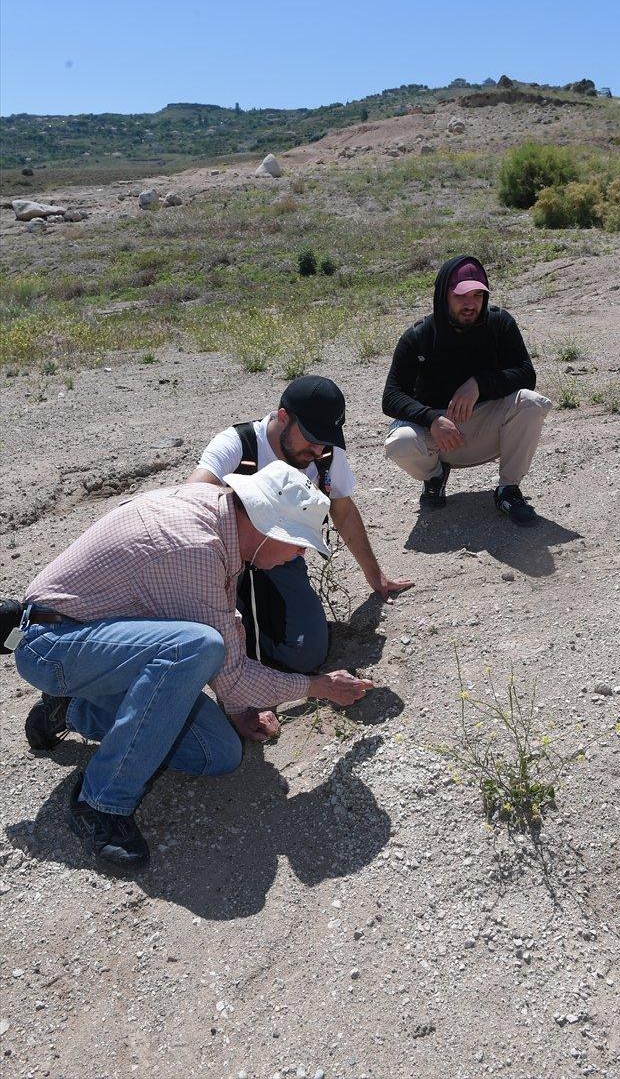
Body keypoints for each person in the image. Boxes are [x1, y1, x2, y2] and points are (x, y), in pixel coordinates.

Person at [8, 462, 373, 872]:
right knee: (195, 647)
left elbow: (225, 649)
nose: (301, 552)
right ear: (268, 529)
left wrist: (237, 707)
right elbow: (227, 669)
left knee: (217, 754)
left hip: (98, 647)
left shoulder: (220, 515)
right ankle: (100, 801)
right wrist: (319, 686)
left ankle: (72, 709)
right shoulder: (195, 547)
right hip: (51, 647)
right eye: (296, 542)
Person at [188, 375, 413, 674]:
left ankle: (249, 645)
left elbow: (342, 511)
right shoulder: (238, 444)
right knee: (215, 640)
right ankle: (233, 649)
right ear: (283, 417)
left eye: (325, 440)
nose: (319, 451)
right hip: (225, 562)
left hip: (280, 558)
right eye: (311, 437)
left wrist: (376, 576)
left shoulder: (326, 452)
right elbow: (191, 500)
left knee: (307, 653)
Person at [382, 256, 551, 526]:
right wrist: (431, 419)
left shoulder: (499, 324)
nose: (471, 304)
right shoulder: (419, 337)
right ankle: (435, 477)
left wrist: (479, 384)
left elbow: (526, 374)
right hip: (439, 438)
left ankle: (508, 489)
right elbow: (391, 396)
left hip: (487, 429)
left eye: (477, 295)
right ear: (443, 295)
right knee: (399, 442)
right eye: (461, 295)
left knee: (531, 403)